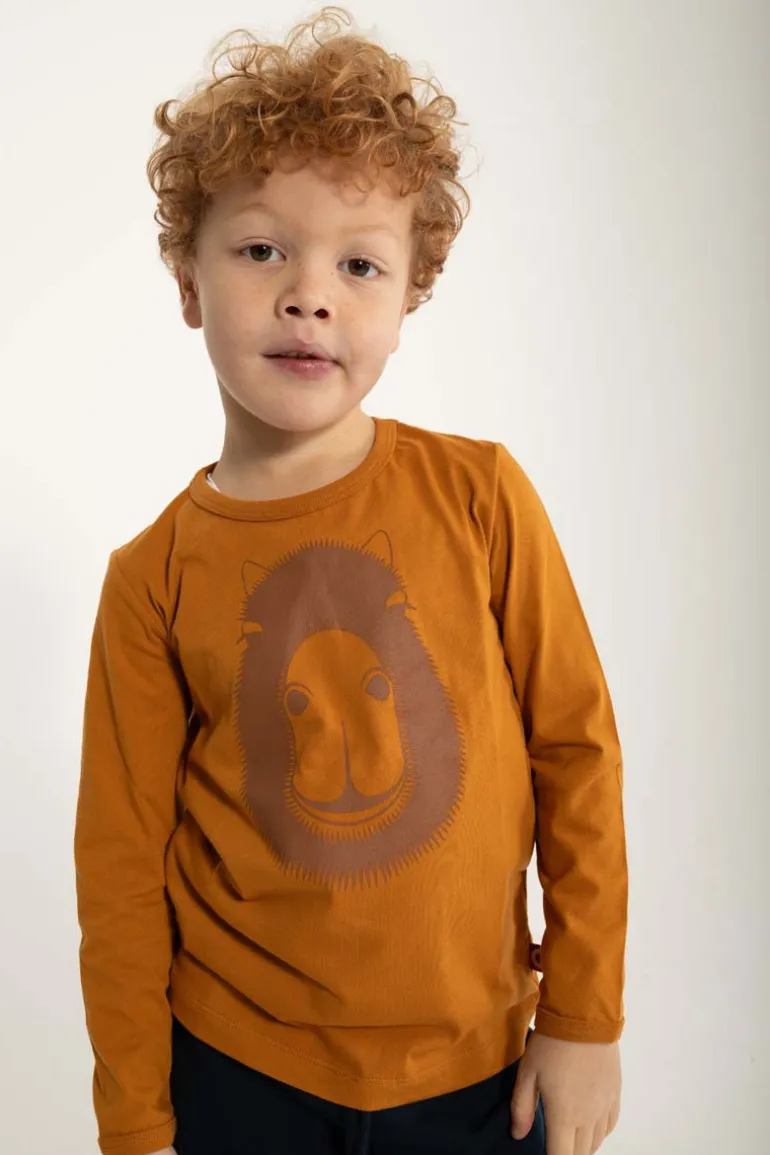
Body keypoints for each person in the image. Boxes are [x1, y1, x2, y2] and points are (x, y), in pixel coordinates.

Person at [73, 8, 628, 1155]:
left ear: (407, 296)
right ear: (187, 281)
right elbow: (120, 876)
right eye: (260, 250)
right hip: (239, 1073)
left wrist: (582, 1017)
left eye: (358, 263)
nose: (308, 294)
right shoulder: (150, 578)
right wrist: (135, 1123)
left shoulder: (479, 496)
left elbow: (575, 753)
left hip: (481, 1076)